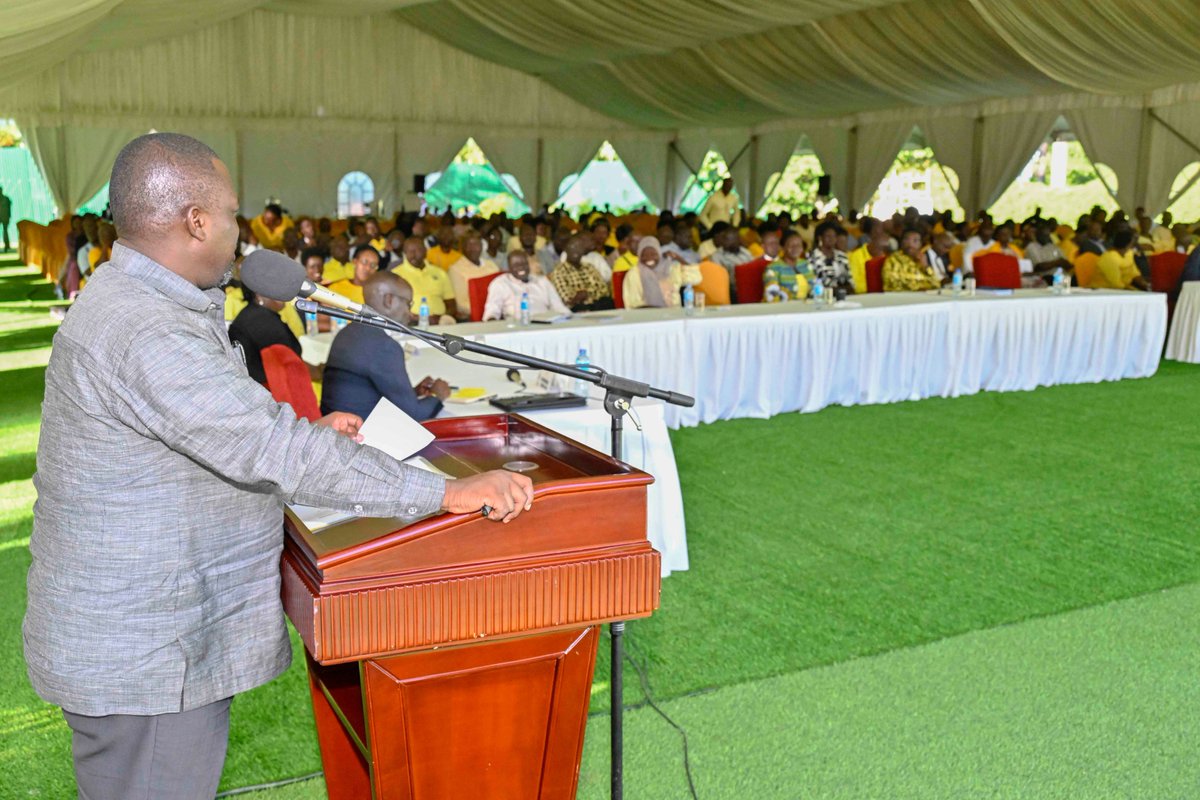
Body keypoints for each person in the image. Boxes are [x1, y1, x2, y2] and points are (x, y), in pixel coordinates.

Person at [25, 132, 534, 800]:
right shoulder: (145, 327)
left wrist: (302, 431)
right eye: (233, 214)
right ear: (197, 221)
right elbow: (271, 447)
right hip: (145, 652)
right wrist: (443, 493)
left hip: (146, 634)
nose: (240, 233)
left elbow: (217, 429)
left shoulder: (141, 300)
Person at [321, 272, 451, 421]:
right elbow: (414, 415)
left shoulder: (348, 332)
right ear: (389, 300)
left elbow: (362, 393)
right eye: (408, 304)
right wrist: (438, 396)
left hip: (334, 429)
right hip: (361, 436)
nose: (410, 313)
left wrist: (412, 393)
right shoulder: (384, 346)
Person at [227, 285, 303, 385]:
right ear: (259, 295)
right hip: (269, 391)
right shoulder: (260, 320)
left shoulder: (254, 313)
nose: (283, 294)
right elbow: (289, 363)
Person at [482, 250, 571, 321]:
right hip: (517, 327)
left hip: (546, 325)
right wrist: (492, 323)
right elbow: (492, 311)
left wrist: (571, 319)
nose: (521, 267)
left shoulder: (542, 281)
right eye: (516, 265)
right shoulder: (500, 284)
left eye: (524, 263)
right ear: (509, 267)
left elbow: (558, 307)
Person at [622, 238, 701, 309]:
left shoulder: (670, 269)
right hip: (646, 319)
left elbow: (695, 279)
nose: (649, 258)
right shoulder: (634, 274)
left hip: (674, 316)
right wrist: (659, 312)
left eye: (653, 254)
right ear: (639, 256)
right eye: (644, 255)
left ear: (659, 254)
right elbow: (632, 305)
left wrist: (678, 258)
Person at [392, 236, 457, 321]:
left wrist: (441, 318)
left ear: (425, 251)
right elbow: (392, 306)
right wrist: (417, 318)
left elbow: (451, 304)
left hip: (440, 323)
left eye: (417, 250)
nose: (413, 255)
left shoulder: (440, 273)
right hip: (410, 324)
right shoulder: (395, 274)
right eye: (409, 251)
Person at [550, 234, 613, 312]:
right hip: (577, 309)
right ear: (566, 250)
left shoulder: (589, 267)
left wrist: (586, 293)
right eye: (572, 247)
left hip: (598, 305)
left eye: (579, 247)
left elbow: (604, 290)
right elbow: (568, 300)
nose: (576, 250)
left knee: (608, 302)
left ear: (583, 251)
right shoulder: (559, 271)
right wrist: (591, 294)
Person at [447, 233, 499, 320]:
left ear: (482, 246)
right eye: (469, 245)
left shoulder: (491, 265)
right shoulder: (455, 269)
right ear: (463, 248)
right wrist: (485, 312)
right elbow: (461, 304)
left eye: (476, 244)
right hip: (473, 317)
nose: (473, 249)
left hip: (495, 313)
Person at [762, 230, 812, 301]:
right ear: (783, 247)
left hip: (807, 308)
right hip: (783, 309)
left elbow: (815, 288)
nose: (795, 248)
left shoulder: (805, 265)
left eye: (799, 245)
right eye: (791, 245)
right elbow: (772, 296)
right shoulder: (773, 268)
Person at [805, 220, 852, 290]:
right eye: (828, 236)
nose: (832, 239)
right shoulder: (811, 257)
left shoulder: (842, 256)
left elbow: (849, 279)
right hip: (820, 295)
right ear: (820, 238)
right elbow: (813, 281)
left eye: (834, 236)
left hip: (843, 294)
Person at [0, 184, 10, 251]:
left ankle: (6, 245)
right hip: (5, 217)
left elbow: (9, 208)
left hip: (4, 217)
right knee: (5, 231)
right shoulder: (6, 199)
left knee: (5, 231)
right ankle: (6, 245)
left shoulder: (6, 199)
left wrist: (9, 216)